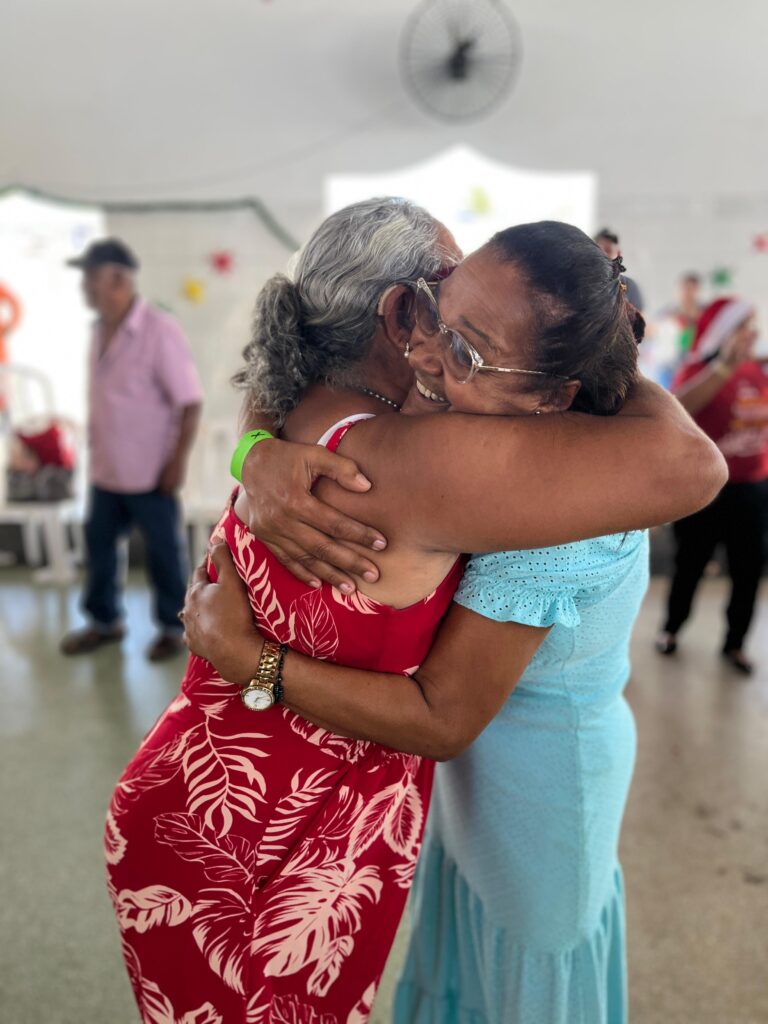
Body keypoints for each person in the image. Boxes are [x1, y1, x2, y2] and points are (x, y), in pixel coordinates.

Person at [107, 200, 724, 1024]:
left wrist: (254, 452)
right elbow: (686, 462)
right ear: (394, 313)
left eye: (460, 338)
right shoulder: (409, 451)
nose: (434, 346)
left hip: (427, 797)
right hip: (256, 836)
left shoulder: (338, 411)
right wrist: (253, 457)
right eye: (435, 309)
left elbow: (691, 465)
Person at [60, 239, 203, 661]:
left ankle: (173, 629)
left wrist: (176, 464)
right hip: (106, 469)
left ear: (119, 280)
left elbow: (189, 402)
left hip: (150, 471)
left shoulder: (159, 329)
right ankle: (104, 622)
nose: (85, 287)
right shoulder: (98, 330)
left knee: (163, 553)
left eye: (92, 278)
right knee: (99, 549)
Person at [657, 296, 768, 674]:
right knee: (690, 566)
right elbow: (677, 408)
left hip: (752, 490)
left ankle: (735, 644)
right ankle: (671, 629)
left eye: (752, 325)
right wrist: (725, 366)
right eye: (743, 326)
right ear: (723, 331)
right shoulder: (700, 370)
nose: (751, 333)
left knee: (748, 573)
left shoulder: (757, 370)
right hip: (706, 491)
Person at [594, 228, 644, 311]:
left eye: (608, 251)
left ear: (618, 253)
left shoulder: (629, 286)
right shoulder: (583, 285)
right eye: (598, 251)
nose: (603, 256)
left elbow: (640, 315)